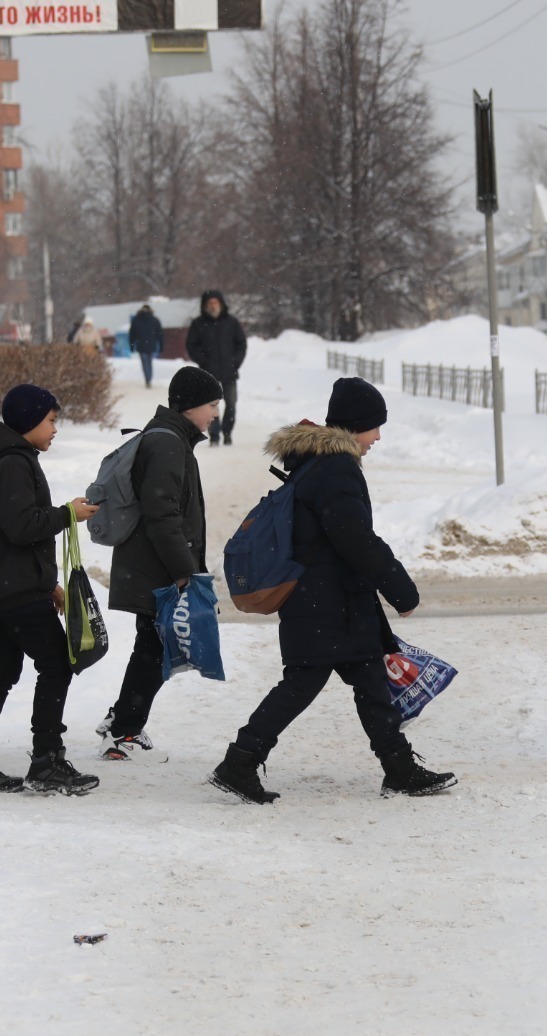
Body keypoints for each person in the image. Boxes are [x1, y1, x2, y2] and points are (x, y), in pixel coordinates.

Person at [209, 378, 456, 803]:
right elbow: (355, 539)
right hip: (326, 602)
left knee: (372, 683)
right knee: (302, 684)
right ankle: (241, 760)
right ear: (356, 424)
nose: (378, 437)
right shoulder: (336, 469)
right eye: (374, 427)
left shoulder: (319, 462)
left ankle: (398, 767)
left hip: (332, 600)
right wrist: (401, 590)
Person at [0, 384, 104, 796]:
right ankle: (47, 762)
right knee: (56, 664)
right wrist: (68, 514)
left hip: (6, 589)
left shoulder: (6, 462)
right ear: (29, 421)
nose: (55, 429)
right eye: (51, 421)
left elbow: (11, 534)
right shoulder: (14, 464)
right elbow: (23, 527)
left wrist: (49, 583)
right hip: (16, 593)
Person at [94, 366, 223, 760]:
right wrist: (184, 573)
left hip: (150, 566)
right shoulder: (167, 444)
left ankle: (121, 720)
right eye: (212, 404)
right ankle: (124, 733)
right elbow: (162, 515)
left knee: (152, 646)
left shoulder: (171, 439)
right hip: (156, 570)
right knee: (155, 648)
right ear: (189, 406)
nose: (216, 413)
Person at [185, 290, 246, 446]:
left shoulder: (232, 322)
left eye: (215, 302)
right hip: (208, 372)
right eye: (210, 303)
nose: (213, 306)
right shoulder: (198, 324)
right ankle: (214, 435)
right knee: (210, 405)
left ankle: (227, 433)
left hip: (229, 371)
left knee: (231, 403)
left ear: (221, 304)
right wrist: (202, 361)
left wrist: (235, 362)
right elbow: (191, 345)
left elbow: (241, 344)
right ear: (205, 305)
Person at [128, 303, 164, 388]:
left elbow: (132, 334)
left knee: (144, 363)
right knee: (149, 362)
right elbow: (160, 334)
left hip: (141, 345)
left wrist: (132, 345)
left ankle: (147, 379)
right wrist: (161, 345)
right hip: (151, 345)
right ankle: (149, 379)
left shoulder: (136, 320)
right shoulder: (155, 320)